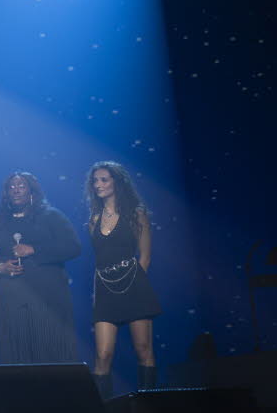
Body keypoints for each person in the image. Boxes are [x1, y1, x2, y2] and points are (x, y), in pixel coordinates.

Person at [86, 161, 161, 398]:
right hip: (106, 288)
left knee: (143, 349)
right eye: (95, 181)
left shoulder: (136, 214)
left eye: (104, 180)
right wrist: (96, 295)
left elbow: (145, 257)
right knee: (103, 355)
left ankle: (148, 405)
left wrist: (135, 285)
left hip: (134, 285)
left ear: (117, 182)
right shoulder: (94, 220)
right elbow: (99, 259)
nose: (98, 185)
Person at [0, 172, 80, 364]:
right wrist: (0, 268)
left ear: (32, 191)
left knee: (50, 354)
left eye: (21, 186)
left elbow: (73, 247)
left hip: (47, 300)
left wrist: (34, 250)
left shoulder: (51, 216)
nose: (16, 190)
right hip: (13, 303)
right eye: (11, 187)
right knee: (18, 359)